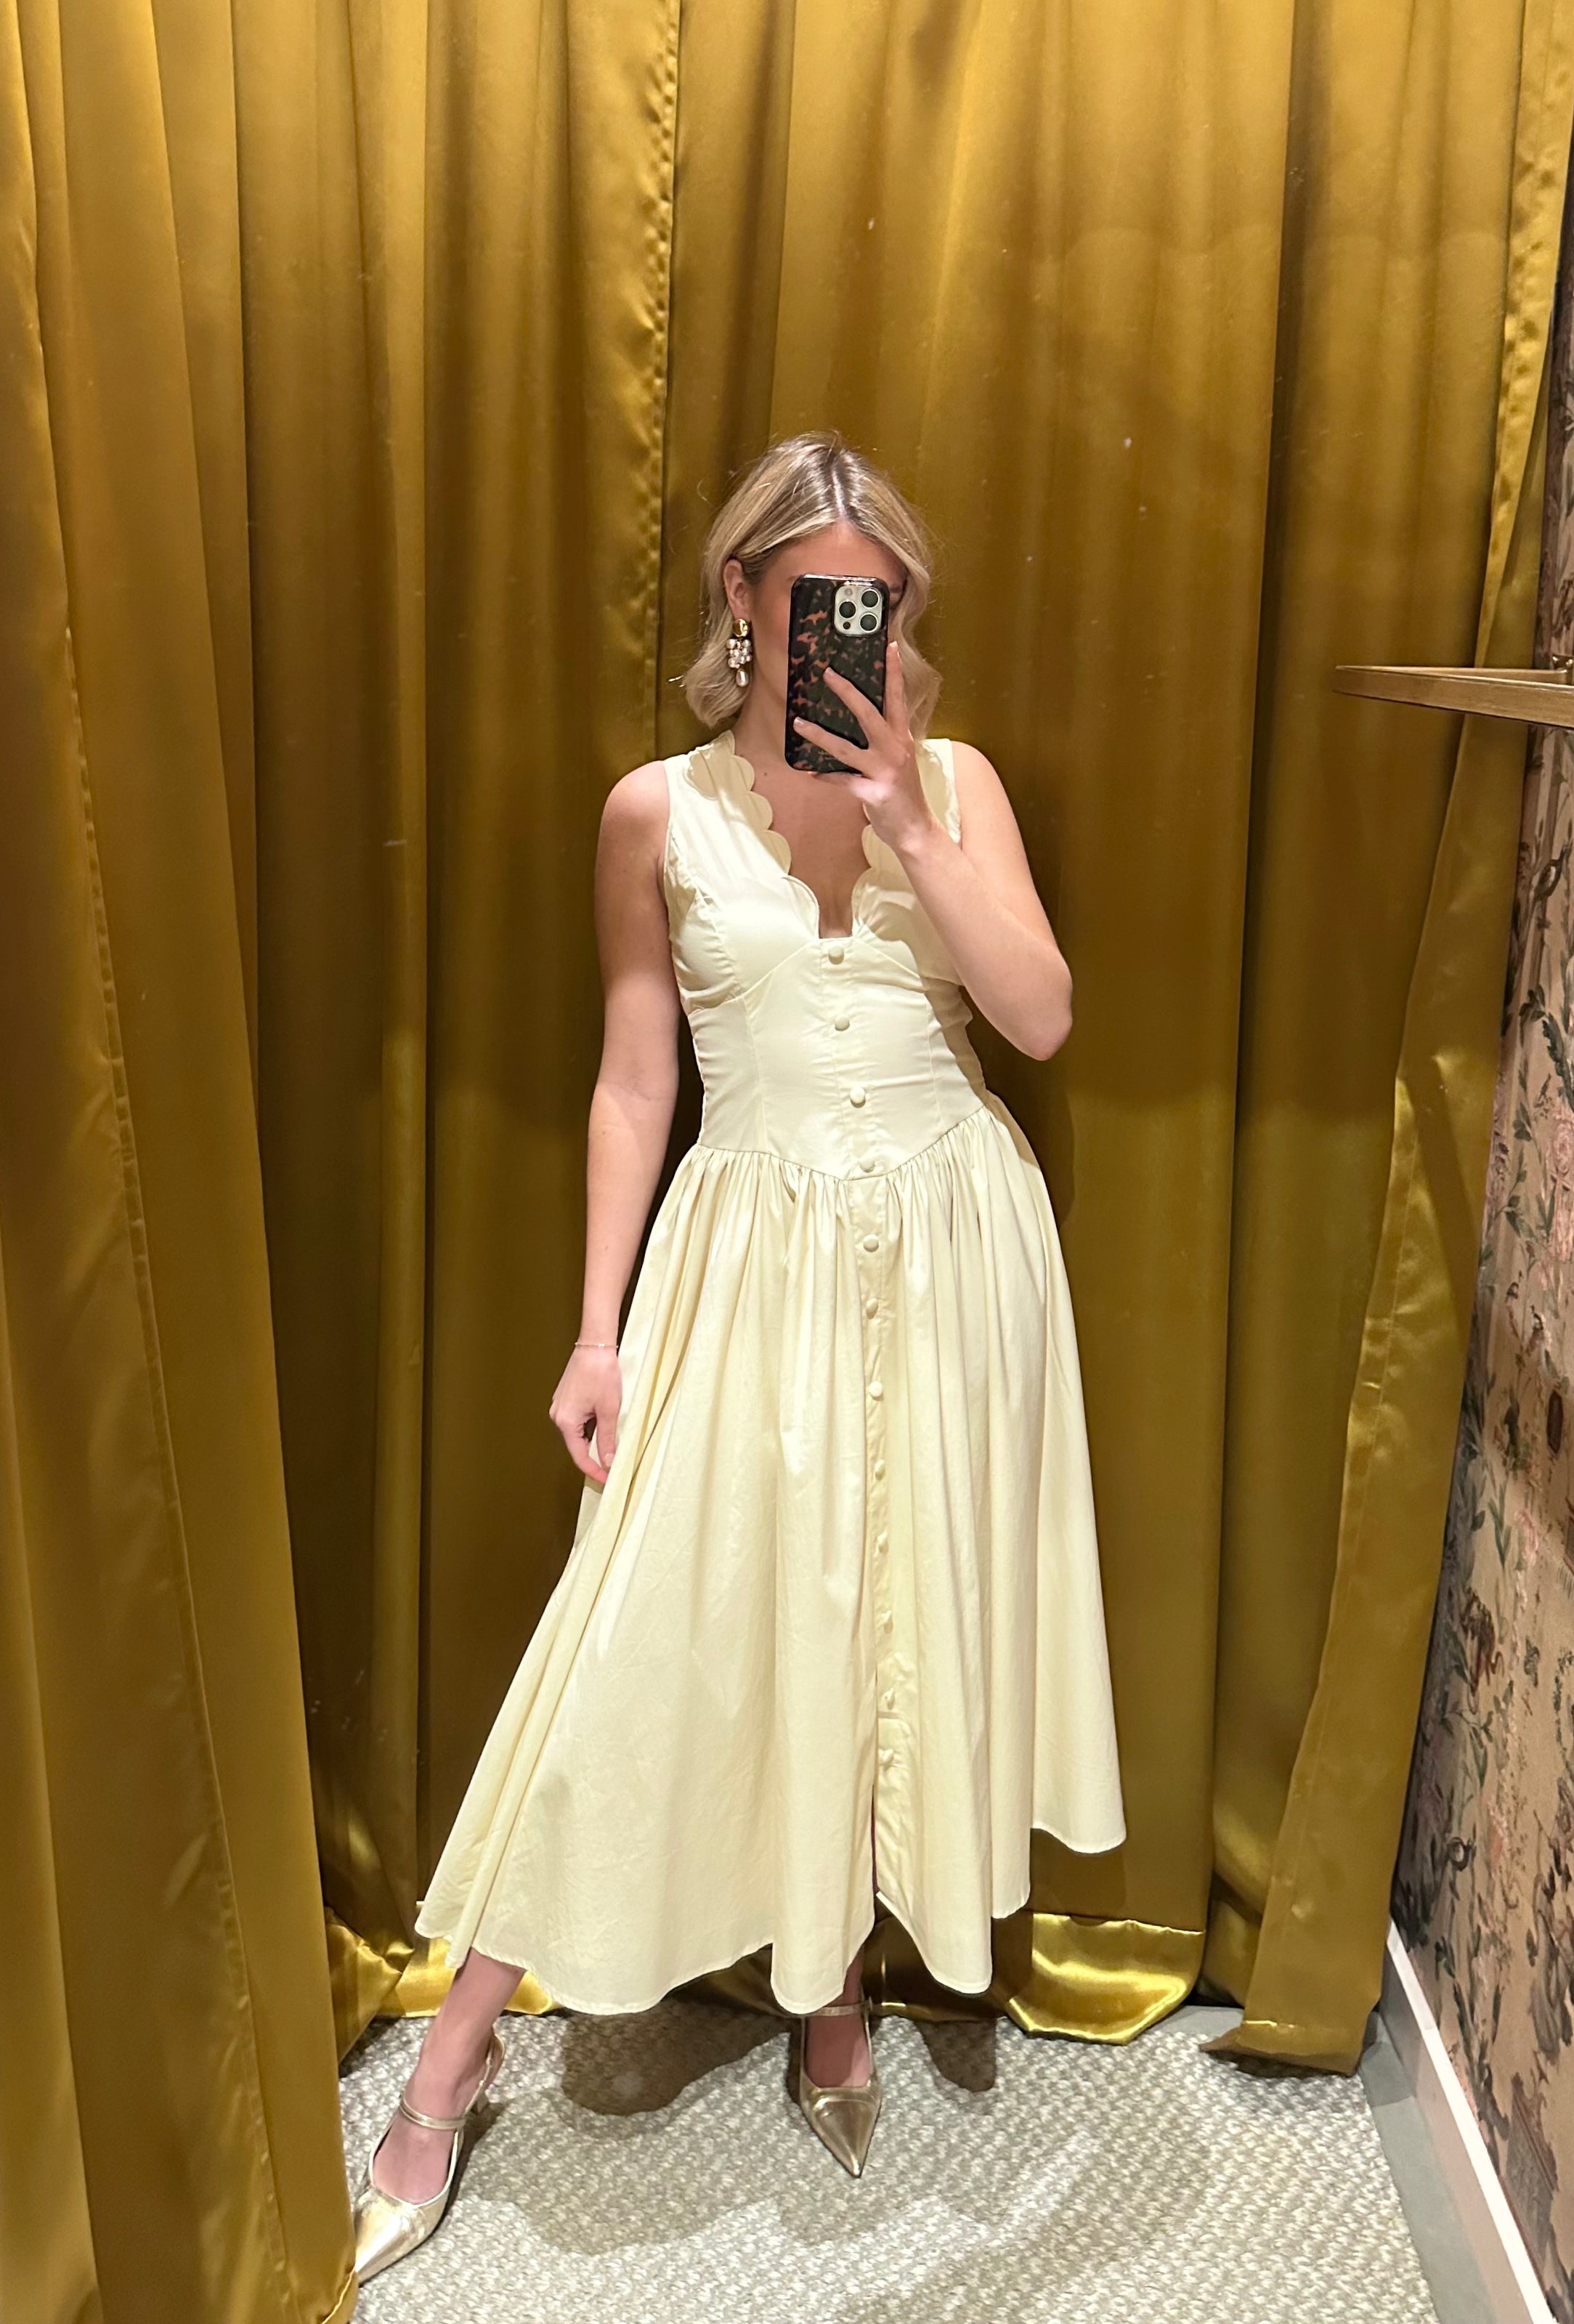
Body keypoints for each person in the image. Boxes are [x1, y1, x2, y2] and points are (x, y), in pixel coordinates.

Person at [350, 431, 1126, 2283]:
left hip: (954, 1246)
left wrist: (912, 821)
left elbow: (1038, 1014)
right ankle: (449, 2071)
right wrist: (596, 1327)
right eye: (820, 602)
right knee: (636, 1634)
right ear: (742, 599)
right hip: (747, 1256)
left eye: (883, 604)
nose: (855, 633)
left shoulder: (958, 782)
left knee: (883, 1614)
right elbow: (638, 1079)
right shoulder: (654, 810)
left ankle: (834, 1994)